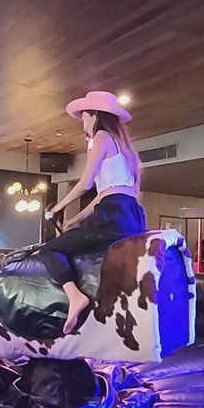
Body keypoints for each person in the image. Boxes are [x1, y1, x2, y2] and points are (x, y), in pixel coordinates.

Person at [39, 91, 145, 334]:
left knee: (50, 250)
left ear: (94, 115)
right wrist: (76, 218)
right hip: (130, 215)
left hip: (112, 214)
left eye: (84, 117)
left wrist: (58, 207)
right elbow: (104, 194)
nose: (83, 123)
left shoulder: (101, 137)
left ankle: (75, 297)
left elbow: (86, 183)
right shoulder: (125, 147)